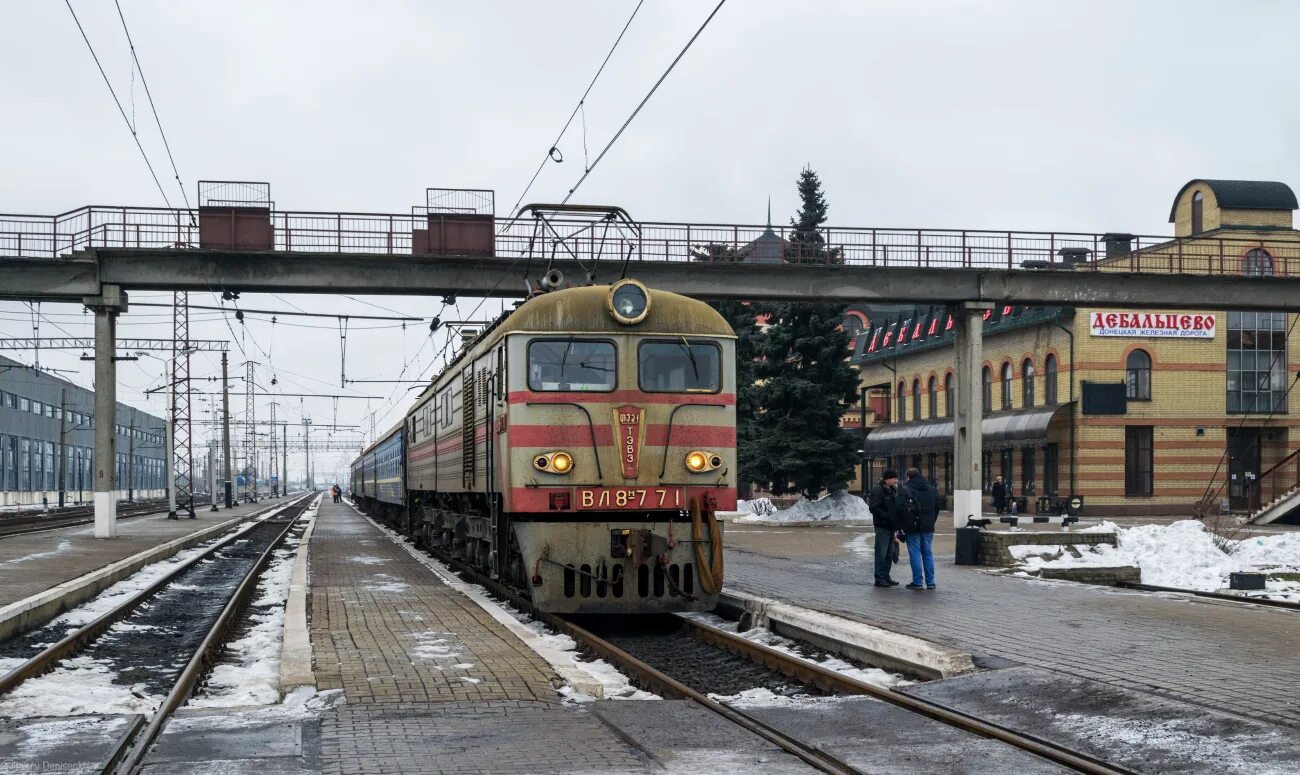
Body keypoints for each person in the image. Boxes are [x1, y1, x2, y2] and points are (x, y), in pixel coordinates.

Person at [898, 467, 939, 590]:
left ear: (908, 477)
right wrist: (931, 522)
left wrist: (902, 526)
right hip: (928, 527)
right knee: (927, 554)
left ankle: (917, 581)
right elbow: (936, 508)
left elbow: (899, 509)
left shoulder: (906, 490)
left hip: (913, 527)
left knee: (915, 553)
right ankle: (930, 582)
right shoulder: (932, 490)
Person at [867, 469, 902, 587]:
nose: (896, 480)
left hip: (891, 526)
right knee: (881, 553)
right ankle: (879, 578)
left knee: (889, 553)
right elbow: (874, 508)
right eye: (894, 478)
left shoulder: (892, 489)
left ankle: (886, 576)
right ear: (888, 479)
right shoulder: (878, 490)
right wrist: (887, 516)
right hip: (882, 525)